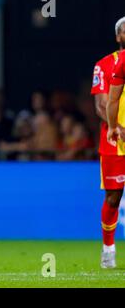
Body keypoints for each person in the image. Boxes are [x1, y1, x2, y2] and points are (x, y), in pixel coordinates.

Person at [91, 16, 125, 269]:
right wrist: (118, 126)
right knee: (113, 197)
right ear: (118, 37)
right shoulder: (104, 65)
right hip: (115, 139)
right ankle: (108, 248)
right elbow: (101, 104)